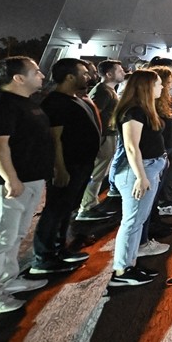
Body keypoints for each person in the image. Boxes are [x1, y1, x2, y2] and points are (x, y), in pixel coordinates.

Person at [0, 57, 52, 314]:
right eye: (36, 72)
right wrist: (10, 178)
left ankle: (7, 279)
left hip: (27, 180)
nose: (41, 75)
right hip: (2, 185)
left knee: (14, 236)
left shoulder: (25, 103)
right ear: (18, 78)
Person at [32, 58, 100, 274]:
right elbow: (55, 138)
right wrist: (59, 168)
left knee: (67, 209)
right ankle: (44, 257)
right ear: (70, 76)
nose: (88, 76)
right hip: (69, 166)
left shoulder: (74, 99)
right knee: (55, 209)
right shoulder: (56, 102)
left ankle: (60, 250)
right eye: (84, 73)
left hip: (81, 164)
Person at [109, 69, 168, 287]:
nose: (161, 87)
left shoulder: (144, 109)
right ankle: (121, 271)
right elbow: (131, 147)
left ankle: (129, 264)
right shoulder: (133, 111)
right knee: (132, 222)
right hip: (137, 171)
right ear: (146, 86)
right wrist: (141, 177)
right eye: (158, 84)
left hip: (147, 168)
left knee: (137, 221)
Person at [77, 59, 125, 222]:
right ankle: (86, 207)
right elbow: (93, 114)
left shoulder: (108, 90)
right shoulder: (102, 91)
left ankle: (90, 203)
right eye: (119, 70)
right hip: (104, 137)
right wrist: (99, 136)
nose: (123, 72)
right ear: (109, 74)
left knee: (98, 172)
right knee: (95, 174)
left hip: (108, 135)